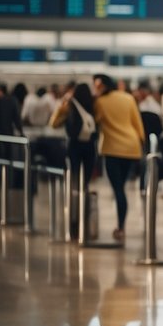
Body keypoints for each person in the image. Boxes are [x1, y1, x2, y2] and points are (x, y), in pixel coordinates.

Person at [91, 74, 145, 242]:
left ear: (105, 85)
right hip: (131, 147)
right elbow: (138, 124)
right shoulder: (128, 98)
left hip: (113, 149)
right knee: (121, 188)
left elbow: (95, 122)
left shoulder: (100, 102)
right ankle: (121, 226)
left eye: (98, 85)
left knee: (119, 189)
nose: (96, 88)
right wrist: (142, 143)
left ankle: (121, 227)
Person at [49, 82, 97, 239]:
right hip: (90, 147)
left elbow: (54, 123)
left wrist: (63, 104)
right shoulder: (94, 105)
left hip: (74, 147)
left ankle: (73, 220)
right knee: (85, 184)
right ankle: (85, 217)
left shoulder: (70, 105)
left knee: (73, 182)